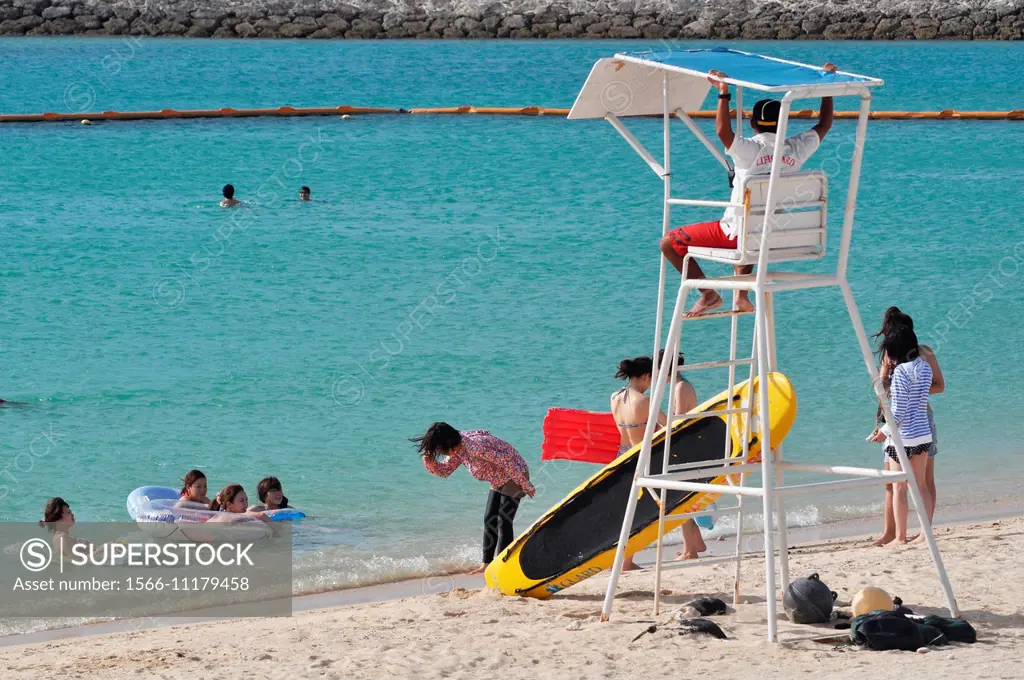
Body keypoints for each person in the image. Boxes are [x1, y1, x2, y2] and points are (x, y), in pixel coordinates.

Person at [659, 63, 838, 316]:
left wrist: (723, 92)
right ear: (784, 124)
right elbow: (825, 123)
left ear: (753, 123)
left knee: (669, 242)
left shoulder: (748, 150)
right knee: (756, 225)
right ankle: (741, 296)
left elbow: (723, 130)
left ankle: (708, 294)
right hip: (773, 234)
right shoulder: (797, 149)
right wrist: (827, 87)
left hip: (738, 235)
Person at [413, 423, 535, 575]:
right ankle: (486, 564)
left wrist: (525, 484)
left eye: (441, 450)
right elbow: (445, 471)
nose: (442, 453)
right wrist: (429, 461)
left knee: (503, 521)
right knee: (489, 519)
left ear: (450, 445)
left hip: (515, 473)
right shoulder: (459, 448)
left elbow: (507, 462)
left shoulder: (475, 447)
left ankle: (504, 567)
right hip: (498, 477)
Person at [868, 308, 944, 546]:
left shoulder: (908, 363)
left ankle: (907, 535)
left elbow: (898, 408)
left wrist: (886, 428)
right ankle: (899, 532)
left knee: (905, 485)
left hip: (902, 429)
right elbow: (890, 393)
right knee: (911, 484)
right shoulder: (919, 365)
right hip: (918, 429)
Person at [657, 350, 707, 561]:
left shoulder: (679, 387)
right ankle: (694, 543)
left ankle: (691, 550)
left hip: (685, 446)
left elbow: (677, 422)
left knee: (678, 500)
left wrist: (658, 420)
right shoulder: (683, 384)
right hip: (690, 442)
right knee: (680, 498)